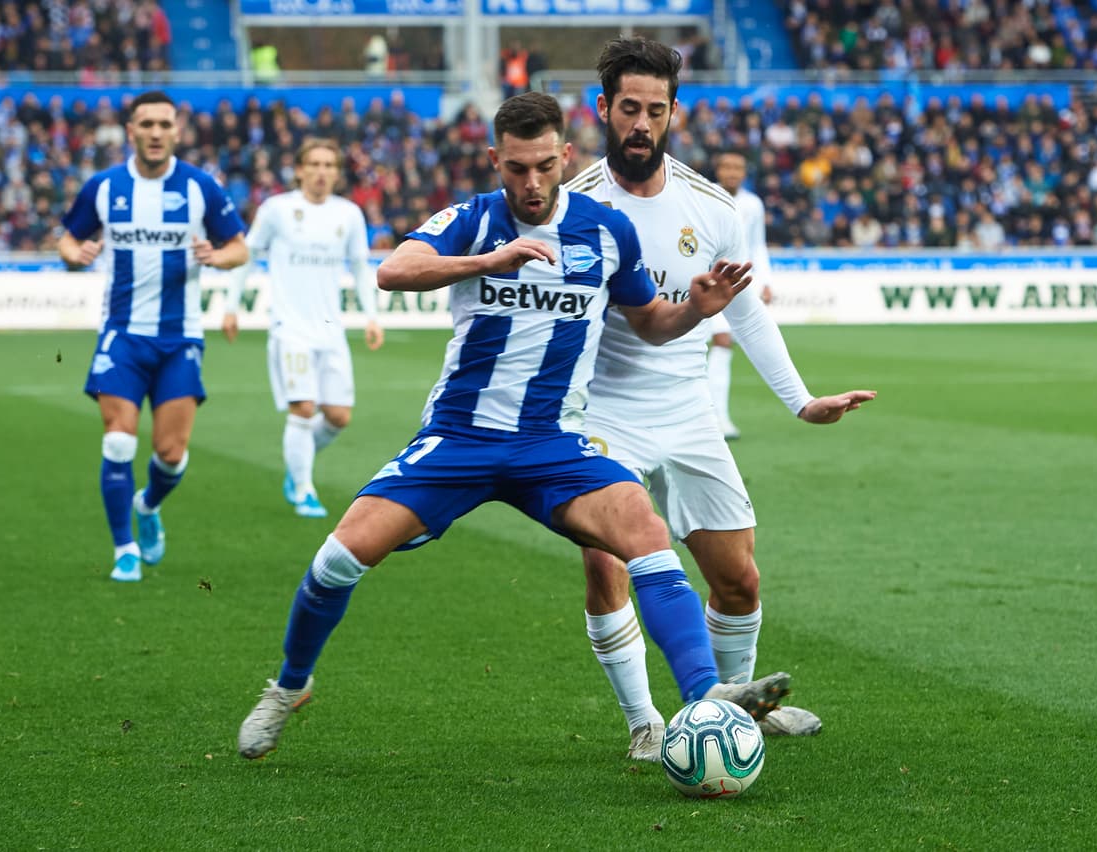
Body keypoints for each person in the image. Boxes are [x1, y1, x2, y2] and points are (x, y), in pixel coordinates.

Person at [236, 92, 787, 761]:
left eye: (544, 166)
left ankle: (705, 698)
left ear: (565, 158)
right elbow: (393, 270)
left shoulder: (607, 230)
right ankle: (289, 687)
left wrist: (696, 309)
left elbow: (648, 322)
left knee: (643, 531)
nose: (531, 183)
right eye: (517, 168)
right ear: (496, 159)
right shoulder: (471, 218)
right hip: (459, 441)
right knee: (338, 560)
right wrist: (483, 262)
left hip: (553, 445)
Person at [563, 37, 877, 760]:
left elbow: (745, 310)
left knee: (738, 581)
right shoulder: (571, 206)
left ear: (676, 113)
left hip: (687, 408)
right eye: (628, 109)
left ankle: (736, 714)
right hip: (600, 412)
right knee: (606, 560)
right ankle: (645, 721)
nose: (641, 124)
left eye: (656, 111)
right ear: (603, 109)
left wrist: (801, 401)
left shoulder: (714, 208)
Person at [58, 90, 248, 582]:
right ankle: (124, 548)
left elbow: (239, 249)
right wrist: (71, 253)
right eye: (147, 125)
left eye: (165, 124)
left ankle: (147, 506)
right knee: (118, 441)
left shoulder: (201, 187)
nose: (156, 133)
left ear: (177, 132)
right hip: (121, 335)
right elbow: (68, 236)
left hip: (180, 336)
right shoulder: (103, 187)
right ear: (131, 131)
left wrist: (216, 256)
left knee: (170, 453)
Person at [222, 138, 385, 518]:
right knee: (302, 408)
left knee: (338, 416)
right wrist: (231, 307)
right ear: (298, 169)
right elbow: (247, 255)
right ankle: (302, 487)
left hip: (330, 330)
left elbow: (361, 268)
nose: (322, 171)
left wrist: (371, 316)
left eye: (329, 165)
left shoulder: (348, 214)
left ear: (338, 172)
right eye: (314, 164)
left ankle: (298, 463)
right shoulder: (277, 209)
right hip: (289, 327)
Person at [707, 150, 773, 440]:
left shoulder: (753, 204)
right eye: (727, 166)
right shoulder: (705, 196)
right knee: (718, 343)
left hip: (738, 283)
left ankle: (717, 417)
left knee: (723, 344)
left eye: (738, 167)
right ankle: (713, 417)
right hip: (705, 281)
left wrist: (766, 281)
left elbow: (758, 244)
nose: (732, 172)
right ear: (718, 170)